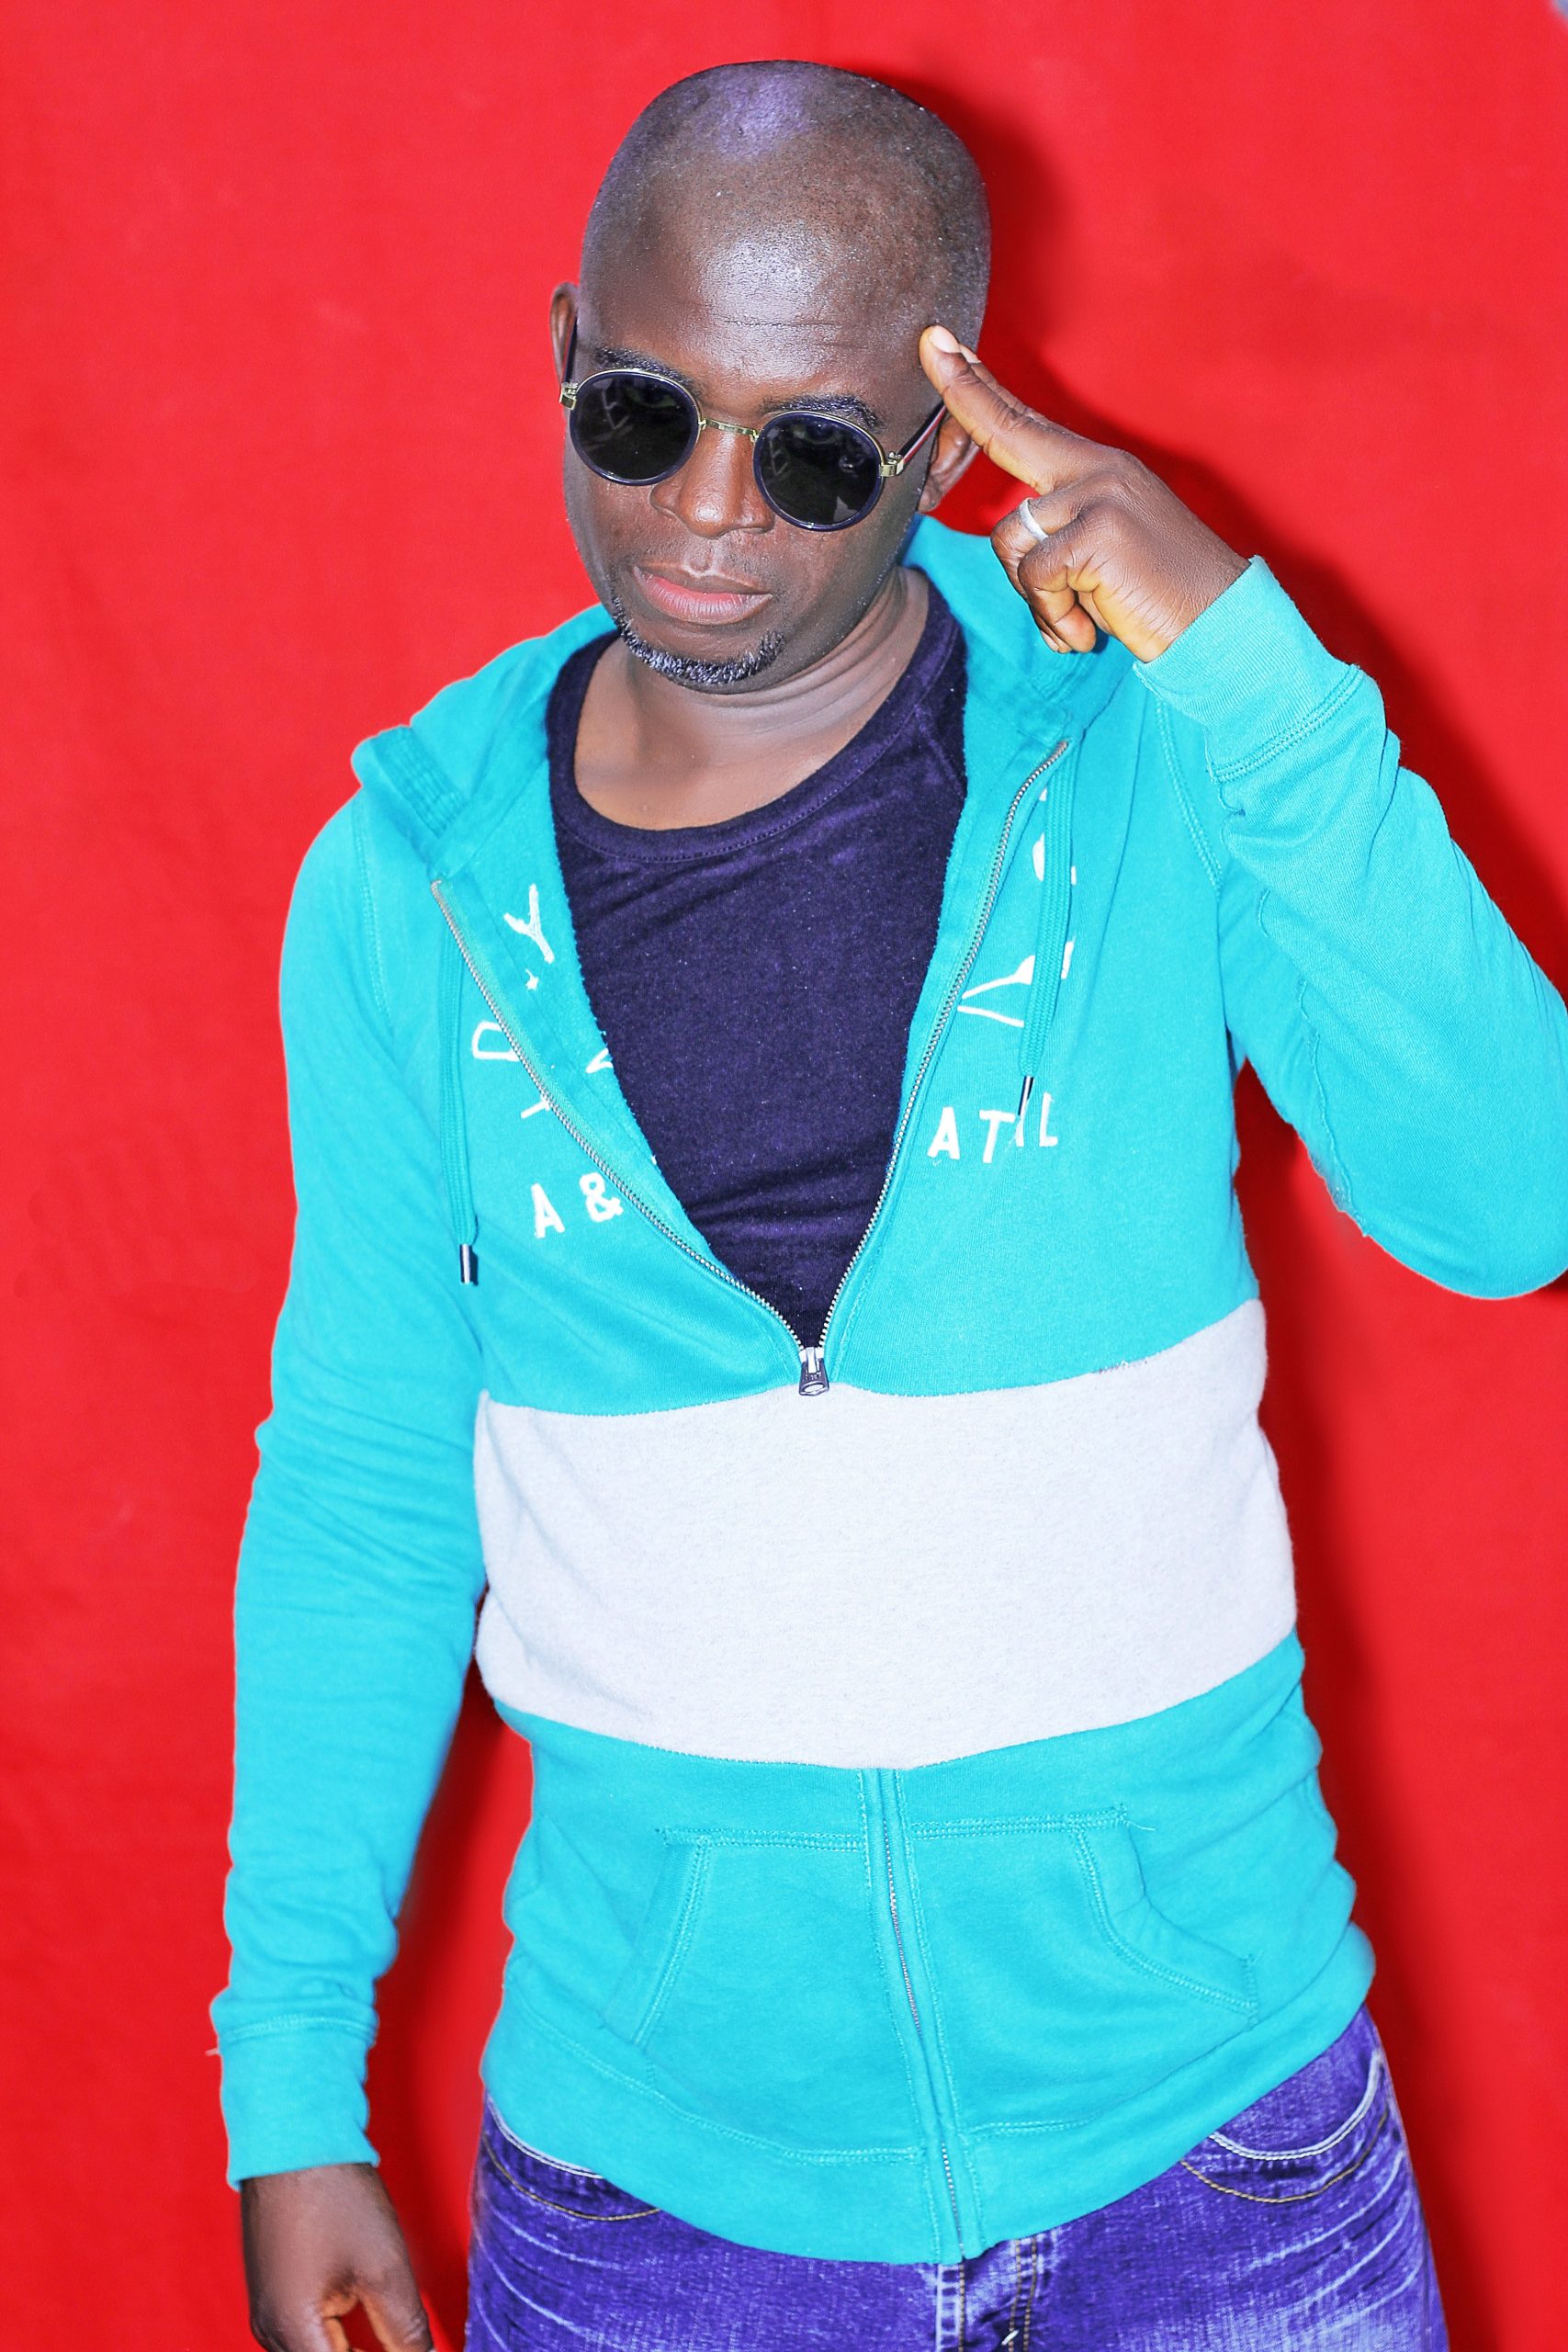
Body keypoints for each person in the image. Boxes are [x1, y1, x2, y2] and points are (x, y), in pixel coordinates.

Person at [215, 60, 1568, 2352]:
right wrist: (290, 2084)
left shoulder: (1144, 749)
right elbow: (362, 1486)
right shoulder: (404, 890)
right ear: (563, 350)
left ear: (940, 451)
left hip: (1214, 2156)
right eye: (641, 414)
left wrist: (1248, 669)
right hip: (656, 2207)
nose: (703, 511)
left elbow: (1508, 1195)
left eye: (813, 453)